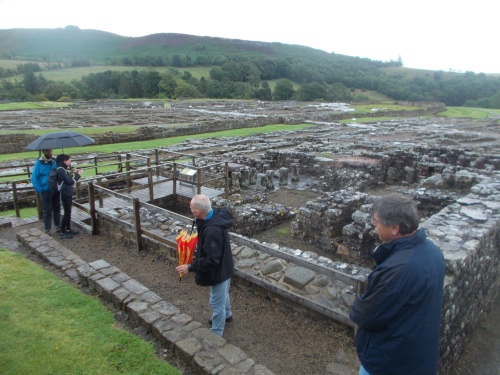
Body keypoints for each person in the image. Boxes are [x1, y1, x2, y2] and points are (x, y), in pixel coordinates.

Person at [349, 194, 445, 375]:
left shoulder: (398, 269)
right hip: (417, 355)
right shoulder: (431, 250)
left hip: (390, 362)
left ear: (394, 228)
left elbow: (364, 314)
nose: (373, 224)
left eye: (376, 221)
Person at [176, 194, 235, 336]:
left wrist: (189, 267)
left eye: (191, 208)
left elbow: (211, 260)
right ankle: (227, 314)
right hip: (226, 266)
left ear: (197, 212)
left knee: (216, 302)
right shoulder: (215, 215)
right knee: (224, 294)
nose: (190, 210)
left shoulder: (211, 230)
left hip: (219, 271)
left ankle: (216, 332)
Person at [31, 149, 61, 236]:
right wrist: (40, 189)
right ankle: (47, 228)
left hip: (55, 188)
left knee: (57, 208)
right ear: (43, 152)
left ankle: (58, 226)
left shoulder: (54, 161)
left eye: (50, 151)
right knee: (47, 210)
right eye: (47, 151)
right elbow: (34, 178)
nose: (50, 153)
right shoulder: (39, 163)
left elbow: (60, 171)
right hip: (45, 189)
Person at [55, 154, 83, 239]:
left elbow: (67, 179)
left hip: (67, 192)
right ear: (65, 161)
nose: (70, 162)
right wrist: (78, 175)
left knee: (68, 211)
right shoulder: (60, 170)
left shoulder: (63, 170)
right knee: (66, 212)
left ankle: (68, 228)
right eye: (69, 161)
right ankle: (63, 231)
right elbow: (69, 182)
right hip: (65, 193)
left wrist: (71, 173)